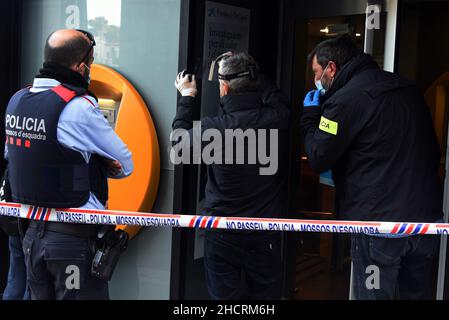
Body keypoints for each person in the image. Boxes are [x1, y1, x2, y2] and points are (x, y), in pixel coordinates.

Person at [300, 35, 442, 299]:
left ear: (331, 68)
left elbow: (319, 156)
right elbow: (433, 151)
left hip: (380, 228)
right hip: (424, 225)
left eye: (316, 73)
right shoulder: (408, 88)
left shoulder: (343, 101)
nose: (315, 82)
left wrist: (310, 117)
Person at [4, 29, 133, 300]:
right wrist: (100, 162)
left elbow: (15, 154)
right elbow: (125, 163)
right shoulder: (79, 107)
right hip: (71, 243)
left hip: (31, 238)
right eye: (92, 63)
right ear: (81, 66)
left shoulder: (17, 101)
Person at [172, 52, 290, 299]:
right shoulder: (276, 118)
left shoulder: (213, 128)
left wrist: (187, 96)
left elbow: (179, 146)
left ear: (223, 88)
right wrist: (251, 73)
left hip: (223, 232)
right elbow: (276, 98)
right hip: (264, 233)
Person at [0, 169, 29, 300]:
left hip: (15, 223)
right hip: (27, 226)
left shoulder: (14, 156)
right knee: (30, 282)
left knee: (16, 280)